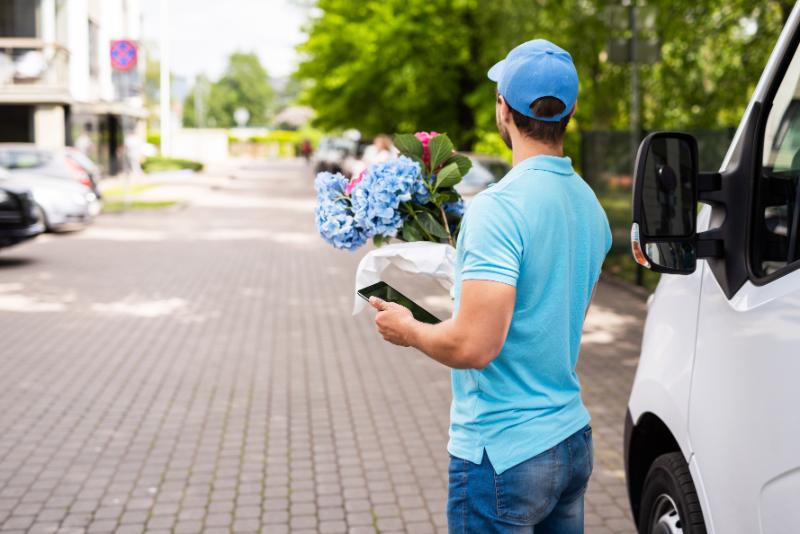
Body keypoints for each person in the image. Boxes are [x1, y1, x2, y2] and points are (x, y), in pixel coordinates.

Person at [368, 39, 612, 533]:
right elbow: (552, 322)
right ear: (571, 110)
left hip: (503, 455)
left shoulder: (498, 208)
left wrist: (408, 328)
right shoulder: (590, 206)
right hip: (568, 439)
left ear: (503, 109)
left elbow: (475, 346)